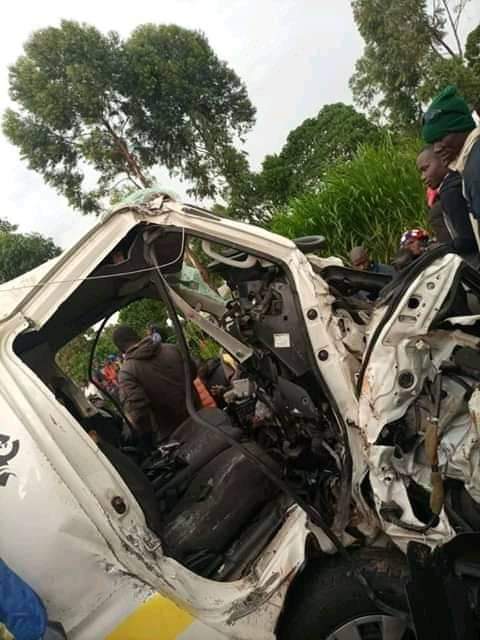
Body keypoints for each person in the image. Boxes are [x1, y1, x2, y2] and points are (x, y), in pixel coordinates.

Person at [112, 325, 190, 449]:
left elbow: (139, 414)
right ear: (137, 336)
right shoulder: (171, 349)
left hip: (173, 438)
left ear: (120, 349)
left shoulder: (127, 372)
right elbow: (193, 372)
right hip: (200, 417)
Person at [422, 85, 480, 248]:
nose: (437, 148)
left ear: (459, 128)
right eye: (433, 142)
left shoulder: (475, 170)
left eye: (441, 138)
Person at [416, 147, 477, 262]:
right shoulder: (461, 177)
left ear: (443, 161)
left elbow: (468, 239)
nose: (423, 177)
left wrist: (438, 248)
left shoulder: (449, 191)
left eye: (425, 169)